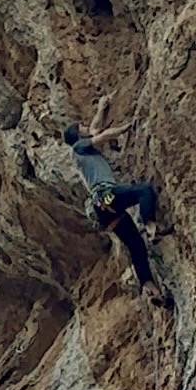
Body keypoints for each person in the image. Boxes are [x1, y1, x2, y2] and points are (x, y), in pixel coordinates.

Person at [62, 118, 171, 305]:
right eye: (82, 126)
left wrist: (103, 106)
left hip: (103, 208)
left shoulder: (82, 151)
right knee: (144, 191)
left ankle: (150, 288)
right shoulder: (79, 146)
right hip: (106, 195)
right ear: (78, 135)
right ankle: (152, 227)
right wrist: (126, 127)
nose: (86, 127)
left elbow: (95, 128)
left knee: (136, 245)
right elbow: (103, 135)